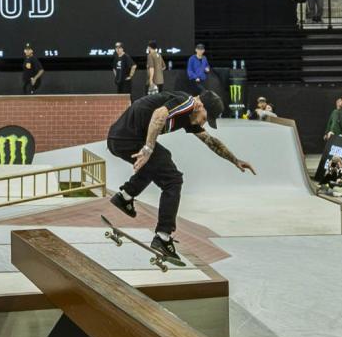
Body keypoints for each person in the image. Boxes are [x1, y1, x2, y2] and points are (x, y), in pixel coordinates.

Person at [106, 90, 255, 261]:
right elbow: (158, 114)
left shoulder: (190, 115)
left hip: (118, 139)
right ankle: (163, 236)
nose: (203, 124)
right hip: (128, 139)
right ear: (201, 106)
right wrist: (148, 149)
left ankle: (125, 197)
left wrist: (235, 160)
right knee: (173, 179)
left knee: (159, 163)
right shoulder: (188, 103)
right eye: (205, 119)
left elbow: (210, 141)